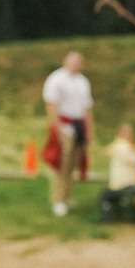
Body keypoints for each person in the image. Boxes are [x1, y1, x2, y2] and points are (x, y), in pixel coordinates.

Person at [42, 50, 94, 218]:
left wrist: (89, 130)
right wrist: (56, 127)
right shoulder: (56, 79)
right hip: (64, 126)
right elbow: (52, 105)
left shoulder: (83, 82)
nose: (76, 65)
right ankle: (58, 199)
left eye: (78, 62)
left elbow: (87, 108)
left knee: (73, 164)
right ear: (65, 62)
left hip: (78, 125)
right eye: (73, 62)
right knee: (62, 164)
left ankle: (67, 196)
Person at [99, 123, 135, 219]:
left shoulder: (117, 145)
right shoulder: (124, 145)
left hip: (118, 182)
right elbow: (133, 159)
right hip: (126, 182)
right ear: (121, 133)